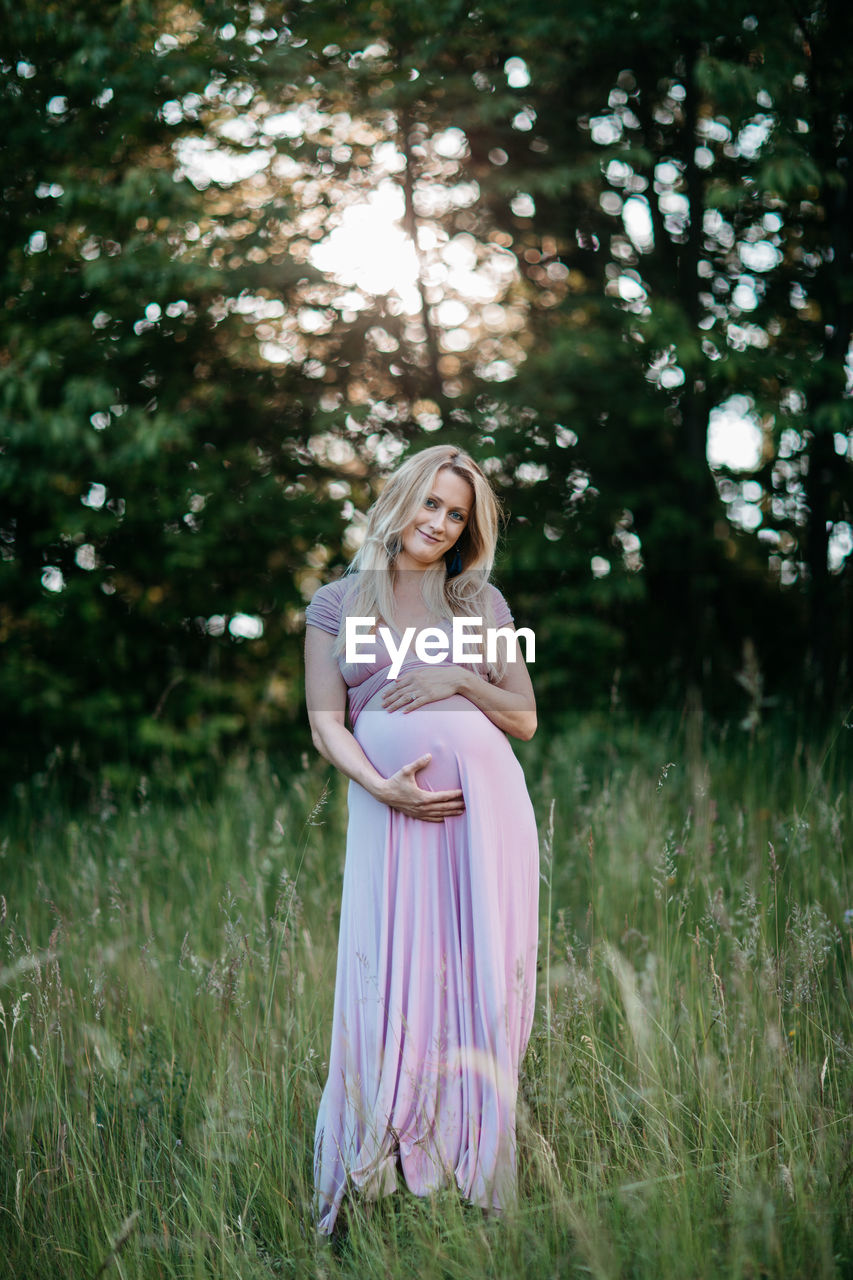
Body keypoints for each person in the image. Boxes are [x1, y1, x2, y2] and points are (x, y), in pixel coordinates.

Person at [304, 443, 539, 1235]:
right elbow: (324, 722)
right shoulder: (337, 604)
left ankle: (475, 1180)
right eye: (430, 503)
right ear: (401, 499)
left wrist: (458, 678)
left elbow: (524, 717)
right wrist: (377, 785)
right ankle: (363, 1180)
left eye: (456, 514)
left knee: (474, 979)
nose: (438, 523)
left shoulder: (479, 602)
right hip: (390, 809)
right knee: (384, 981)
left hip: (483, 813)